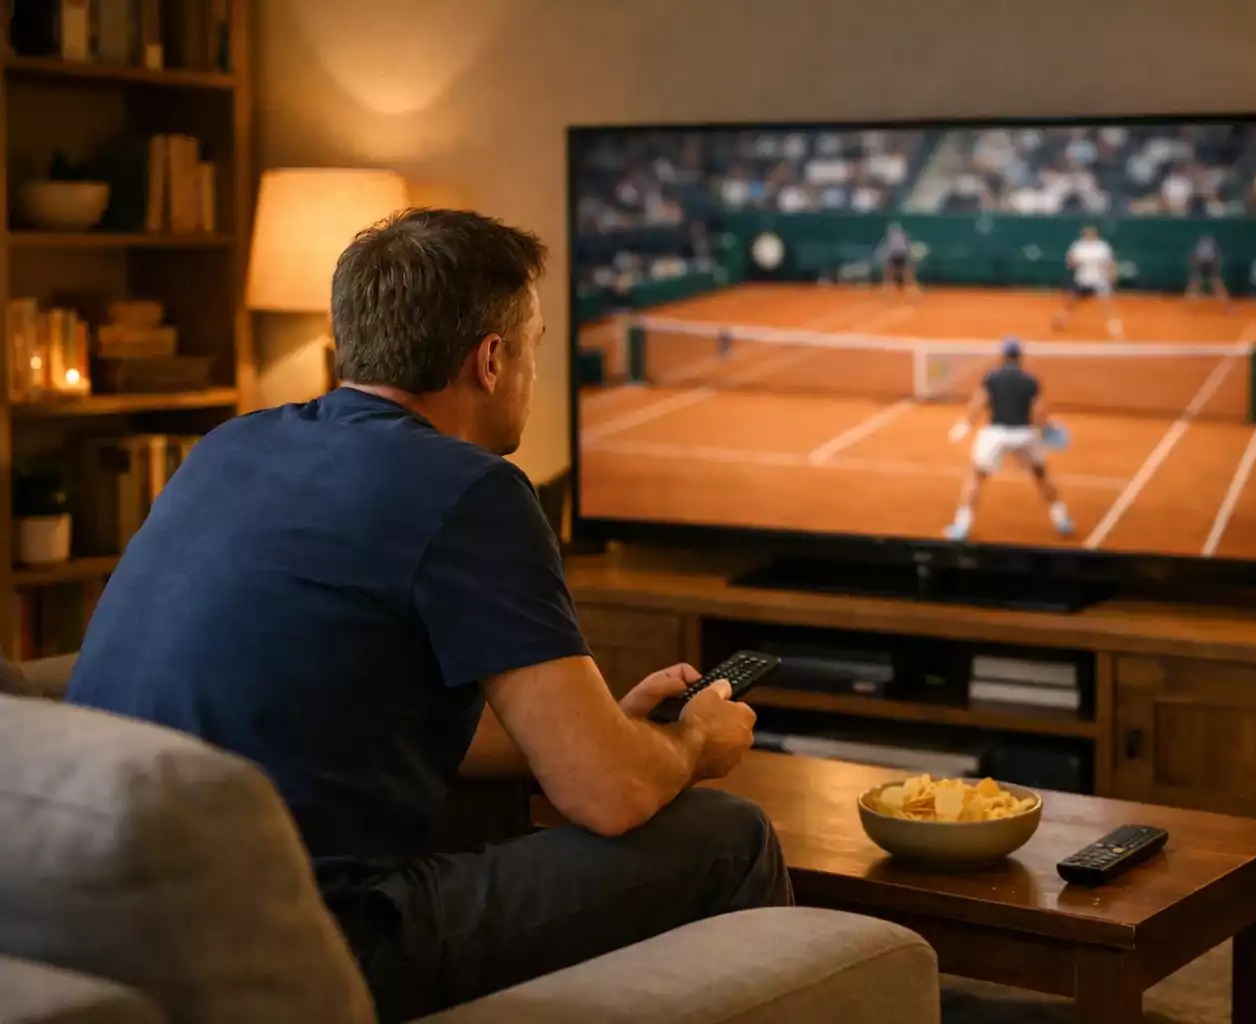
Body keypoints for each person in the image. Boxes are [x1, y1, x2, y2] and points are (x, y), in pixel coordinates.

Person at [64, 208, 789, 1023]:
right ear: (492, 360)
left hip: (105, 932)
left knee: (503, 799)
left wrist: (596, 734)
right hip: (312, 949)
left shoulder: (229, 446)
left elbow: (344, 714)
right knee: (730, 836)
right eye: (534, 346)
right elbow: (610, 796)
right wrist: (690, 743)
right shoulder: (472, 489)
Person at [942, 337, 1074, 542]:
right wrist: (1048, 432)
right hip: (1025, 435)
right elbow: (1040, 411)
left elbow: (978, 402)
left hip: (996, 435)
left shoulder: (991, 378)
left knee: (976, 477)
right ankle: (1062, 520)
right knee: (1041, 475)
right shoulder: (1031, 381)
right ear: (1019, 357)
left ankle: (961, 526)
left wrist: (965, 425)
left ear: (1003, 356)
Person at [1050, 224, 1123, 340]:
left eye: (1091, 233)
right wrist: (1073, 262)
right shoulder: (1078, 246)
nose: (1089, 235)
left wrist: (1112, 276)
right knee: (1071, 301)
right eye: (1087, 233)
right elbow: (1070, 262)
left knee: (1106, 305)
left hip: (1100, 281)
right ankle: (1062, 320)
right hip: (1082, 281)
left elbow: (1111, 262)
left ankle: (1114, 327)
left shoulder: (1102, 247)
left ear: (1095, 234)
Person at [1185, 232, 1231, 305]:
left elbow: (1218, 258)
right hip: (1200, 263)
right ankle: (1194, 294)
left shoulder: (1214, 251)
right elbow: (1193, 257)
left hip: (1211, 264)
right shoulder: (1198, 252)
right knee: (1196, 279)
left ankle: (1220, 295)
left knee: (1215, 280)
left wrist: (1215, 267)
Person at [880, 220, 918, 295]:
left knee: (906, 272)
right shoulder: (891, 236)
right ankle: (888, 288)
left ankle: (910, 288)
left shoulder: (903, 235)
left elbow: (907, 246)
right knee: (889, 271)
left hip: (901, 254)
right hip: (895, 255)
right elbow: (889, 247)